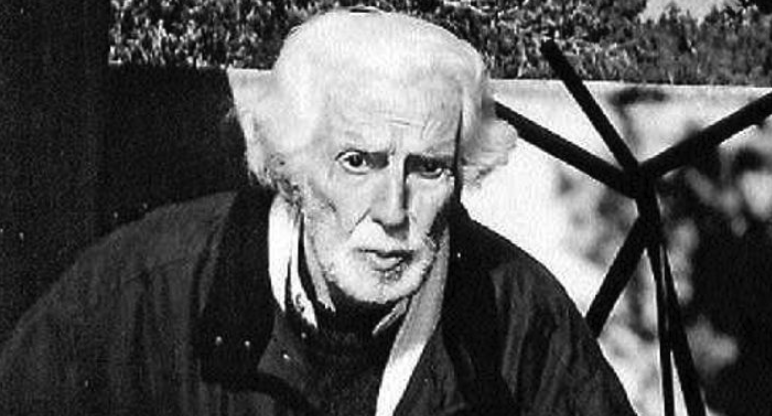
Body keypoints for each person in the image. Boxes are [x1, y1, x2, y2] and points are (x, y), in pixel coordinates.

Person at [0, 8, 636, 416]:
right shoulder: (144, 290)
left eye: (428, 168)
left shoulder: (520, 317)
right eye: (358, 162)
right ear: (293, 171)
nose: (394, 211)